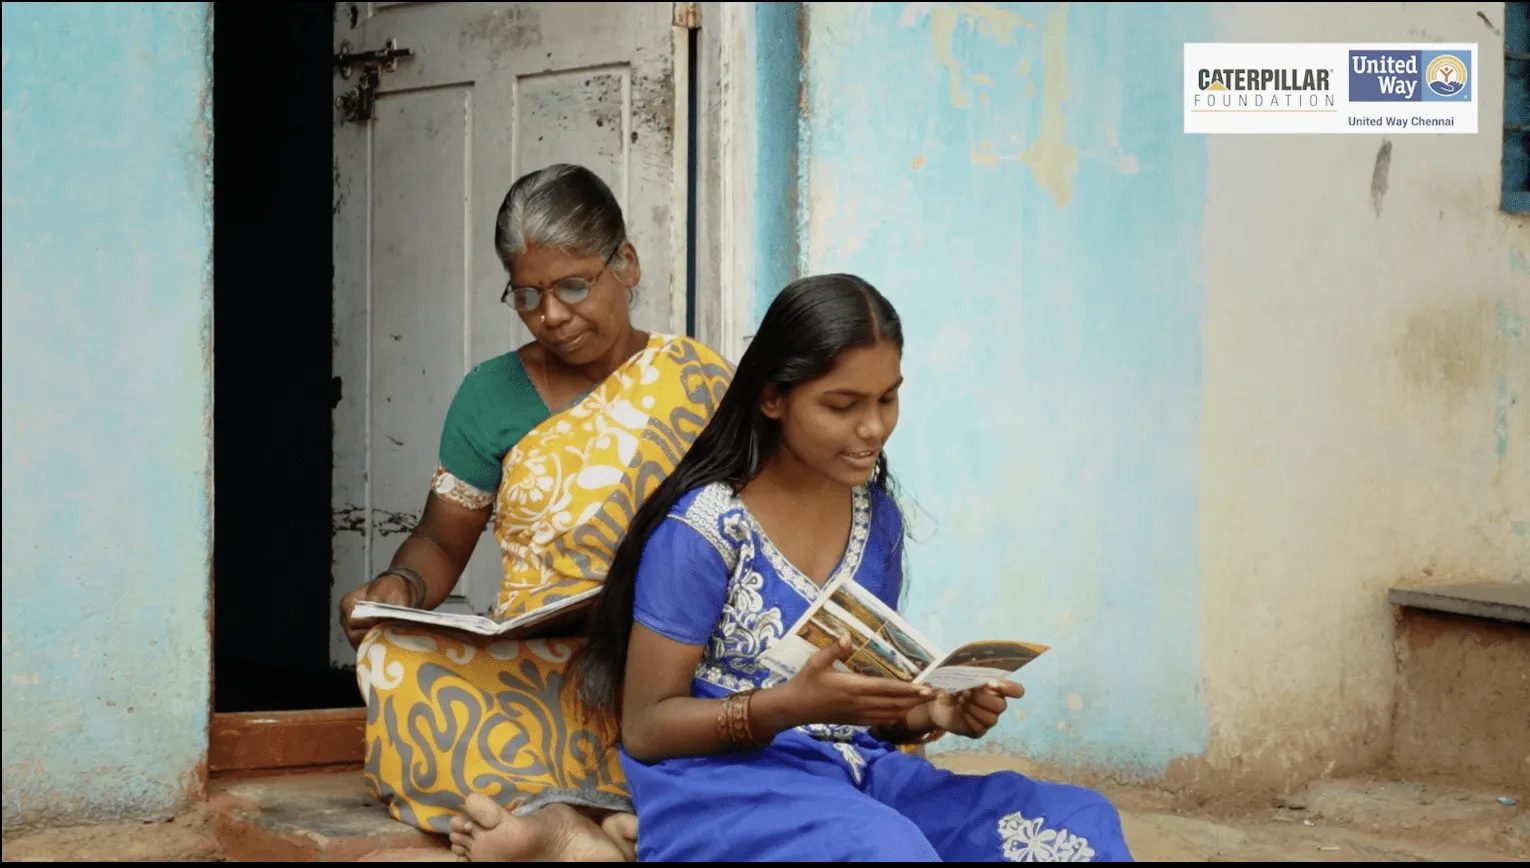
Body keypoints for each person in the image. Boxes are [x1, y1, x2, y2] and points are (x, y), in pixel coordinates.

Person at [490, 272, 1134, 862]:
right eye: (842, 405)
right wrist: (783, 708)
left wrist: (930, 714)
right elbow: (646, 727)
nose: (873, 428)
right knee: (887, 852)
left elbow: (867, 708)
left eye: (888, 399)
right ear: (774, 398)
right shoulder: (704, 530)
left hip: (858, 775)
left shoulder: (877, 519)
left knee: (1076, 822)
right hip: (727, 786)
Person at [337, 163, 734, 861]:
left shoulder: (699, 381)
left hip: (665, 657)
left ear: (626, 264)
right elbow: (440, 540)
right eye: (526, 296)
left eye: (572, 286)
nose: (550, 315)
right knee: (397, 663)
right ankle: (597, 821)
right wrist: (400, 587)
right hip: (538, 661)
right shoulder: (491, 394)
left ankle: (559, 820)